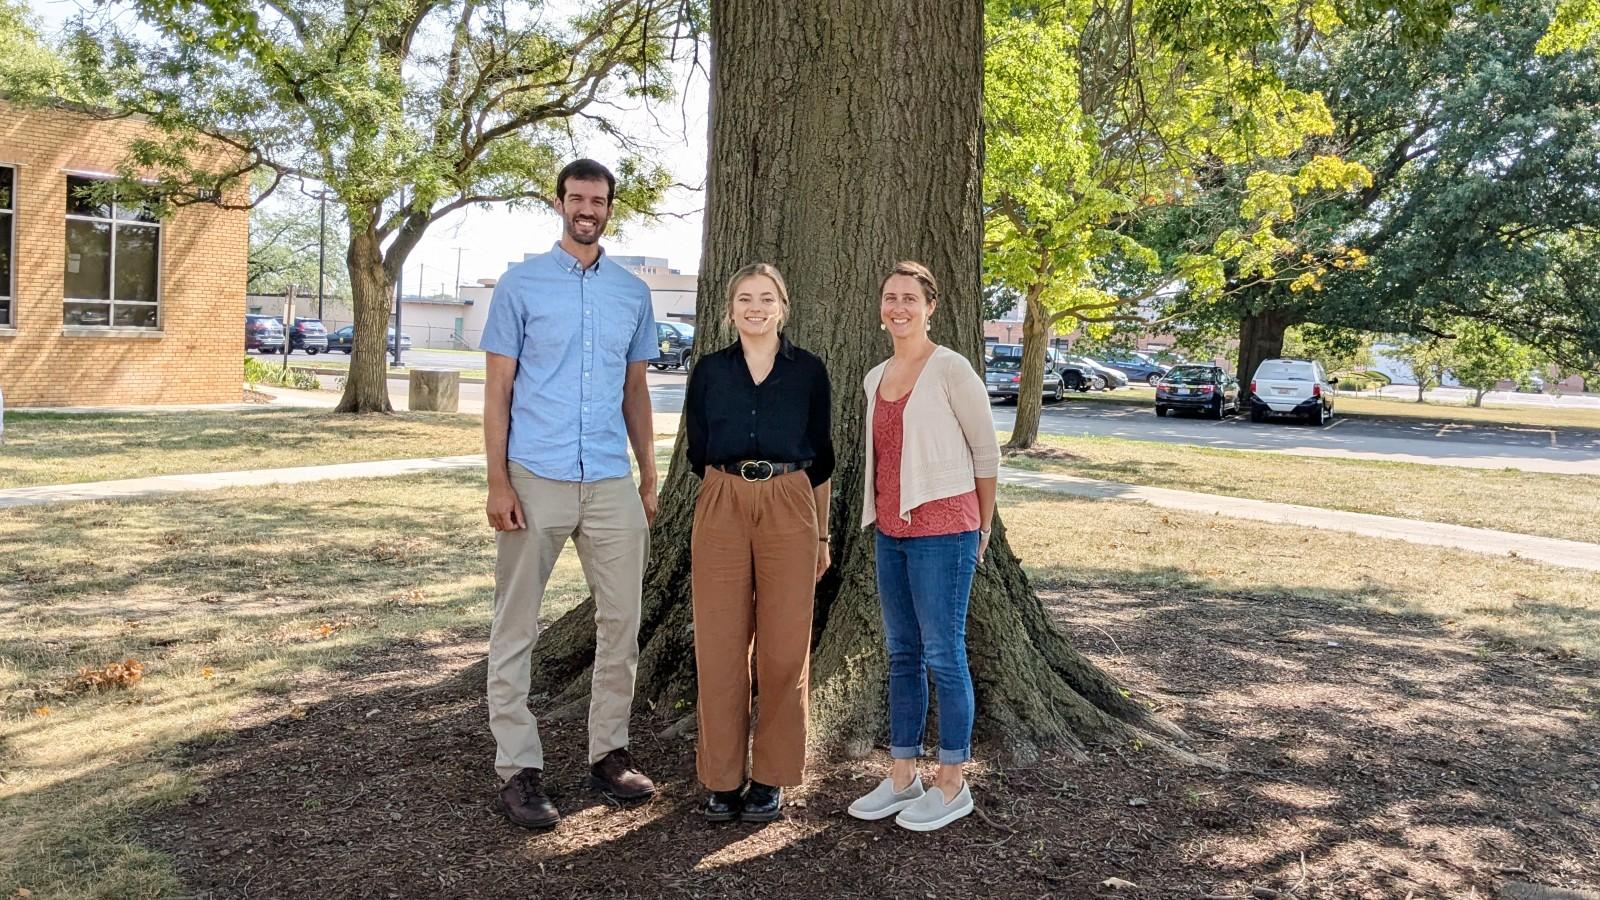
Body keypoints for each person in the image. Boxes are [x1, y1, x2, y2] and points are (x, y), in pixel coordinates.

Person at [479, 158, 661, 830]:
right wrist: (497, 480)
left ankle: (608, 753)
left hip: (610, 477)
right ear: (560, 202)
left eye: (599, 200)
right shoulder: (520, 286)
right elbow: (498, 391)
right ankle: (519, 768)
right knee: (516, 625)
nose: (588, 208)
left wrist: (647, 475)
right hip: (535, 475)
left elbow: (635, 391)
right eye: (577, 198)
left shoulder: (631, 293)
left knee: (623, 623)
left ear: (611, 207)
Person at [847, 260, 998, 833]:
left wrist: (980, 527)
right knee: (902, 654)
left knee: (944, 653)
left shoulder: (951, 369)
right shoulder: (875, 375)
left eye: (910, 298)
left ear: (930, 306)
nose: (899, 307)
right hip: (892, 533)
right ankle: (903, 774)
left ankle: (952, 782)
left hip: (947, 532)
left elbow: (986, 453)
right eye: (890, 297)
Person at [684, 263, 835, 823]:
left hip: (791, 500)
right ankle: (721, 779)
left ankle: (770, 777)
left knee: (783, 646)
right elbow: (698, 448)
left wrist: (821, 533)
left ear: (782, 306)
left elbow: (823, 461)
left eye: (766, 298)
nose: (755, 307)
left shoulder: (809, 372)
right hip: (722, 498)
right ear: (730, 309)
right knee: (720, 644)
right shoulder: (710, 371)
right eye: (745, 298)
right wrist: (734, 494)